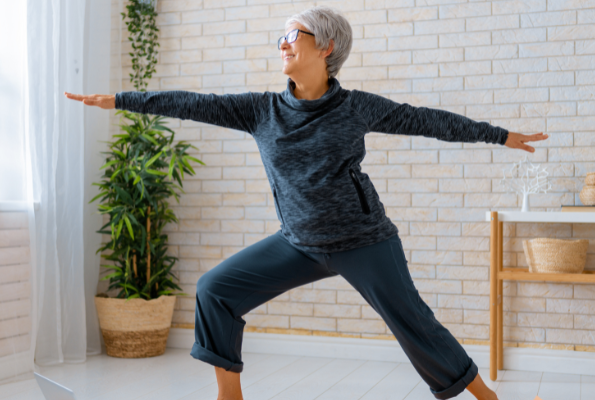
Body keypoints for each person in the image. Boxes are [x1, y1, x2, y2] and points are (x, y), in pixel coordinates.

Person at [67, 6, 547, 400]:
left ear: (325, 46)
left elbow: (424, 120)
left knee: (413, 320)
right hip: (297, 242)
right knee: (215, 290)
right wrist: (121, 100)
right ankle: (228, 397)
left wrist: (500, 136)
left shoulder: (356, 107)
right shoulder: (259, 111)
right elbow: (193, 102)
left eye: (292, 34)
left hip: (364, 240)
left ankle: (488, 399)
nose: (282, 43)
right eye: (279, 37)